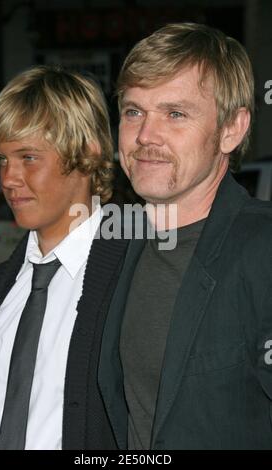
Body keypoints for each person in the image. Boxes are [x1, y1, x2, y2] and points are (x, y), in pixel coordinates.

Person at [98, 23, 272, 450]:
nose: (144, 136)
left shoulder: (263, 250)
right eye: (134, 111)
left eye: (175, 114)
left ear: (232, 129)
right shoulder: (112, 247)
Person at [0, 66, 129, 450]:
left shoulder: (136, 277)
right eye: (2, 160)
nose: (8, 178)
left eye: (28, 157)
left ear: (88, 152)